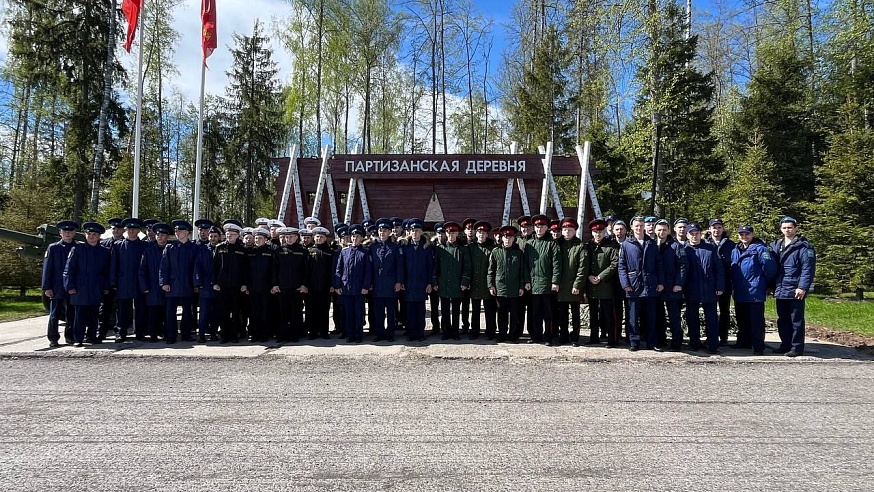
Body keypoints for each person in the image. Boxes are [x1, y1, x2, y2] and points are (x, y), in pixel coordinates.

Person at [617, 216, 664, 351]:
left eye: (641, 225)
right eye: (636, 226)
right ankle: (634, 342)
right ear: (631, 227)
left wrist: (660, 282)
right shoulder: (626, 244)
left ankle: (651, 342)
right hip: (633, 285)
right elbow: (622, 266)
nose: (639, 228)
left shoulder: (652, 243)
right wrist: (625, 283)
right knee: (633, 316)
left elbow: (658, 264)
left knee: (651, 316)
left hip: (650, 284)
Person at [771, 217, 816, 357]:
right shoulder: (776, 245)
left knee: (796, 320)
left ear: (796, 228)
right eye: (784, 228)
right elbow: (773, 268)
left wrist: (803, 287)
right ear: (780, 229)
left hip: (795, 288)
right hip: (780, 287)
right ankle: (785, 345)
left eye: (790, 227)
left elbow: (808, 269)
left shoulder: (804, 247)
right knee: (782, 319)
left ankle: (796, 347)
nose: (787, 230)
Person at [731, 225, 778, 355]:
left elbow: (770, 269)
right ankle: (744, 342)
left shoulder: (760, 249)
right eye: (741, 234)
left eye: (747, 234)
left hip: (754, 290)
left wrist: (767, 284)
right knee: (742, 319)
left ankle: (758, 346)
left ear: (752, 235)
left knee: (756, 321)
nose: (744, 237)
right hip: (740, 290)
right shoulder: (735, 250)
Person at [64, 222, 111, 346]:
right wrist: (70, 286)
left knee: (94, 315)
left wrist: (106, 286)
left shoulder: (104, 252)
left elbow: (107, 271)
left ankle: (91, 336)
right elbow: (69, 270)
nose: (91, 236)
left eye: (94, 234)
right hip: (80, 288)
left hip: (96, 287)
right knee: (79, 316)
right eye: (89, 234)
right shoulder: (77, 249)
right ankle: (78, 339)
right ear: (85, 235)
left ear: (99, 236)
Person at [684, 223, 724, 353]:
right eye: (692, 234)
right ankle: (694, 343)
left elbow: (719, 269)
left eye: (697, 233)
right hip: (691, 289)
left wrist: (719, 286)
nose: (694, 236)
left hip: (709, 288)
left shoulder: (710, 248)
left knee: (711, 319)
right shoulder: (683, 249)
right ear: (687, 235)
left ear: (701, 233)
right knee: (692, 318)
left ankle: (713, 345)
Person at [488, 226, 530, 342]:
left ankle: (513, 335)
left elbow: (522, 271)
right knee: (501, 313)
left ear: (514, 239)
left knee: (514, 314)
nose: (508, 240)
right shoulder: (496, 252)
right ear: (502, 238)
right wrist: (490, 285)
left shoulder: (518, 253)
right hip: (500, 288)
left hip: (515, 288)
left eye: (510, 237)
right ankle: (502, 334)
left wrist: (521, 286)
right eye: (505, 237)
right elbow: (491, 271)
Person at [160, 220, 198, 344]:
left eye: (180, 231)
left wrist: (196, 284)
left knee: (188, 311)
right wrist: (164, 282)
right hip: (172, 284)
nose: (177, 233)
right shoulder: (170, 247)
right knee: (170, 312)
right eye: (176, 231)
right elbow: (164, 267)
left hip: (188, 284)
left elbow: (196, 267)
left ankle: (186, 334)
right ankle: (171, 335)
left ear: (187, 232)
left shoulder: (193, 248)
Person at [110, 218, 147, 342]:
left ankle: (140, 332)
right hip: (123, 282)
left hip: (139, 283)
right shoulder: (117, 245)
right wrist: (113, 282)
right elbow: (113, 265)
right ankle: (120, 332)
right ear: (126, 230)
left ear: (138, 231)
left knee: (141, 309)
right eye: (129, 229)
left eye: (134, 229)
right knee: (122, 310)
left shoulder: (144, 246)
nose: (132, 231)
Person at [525, 214, 561, 344]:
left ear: (547, 228)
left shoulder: (552, 244)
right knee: (535, 313)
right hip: (534, 285)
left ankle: (548, 337)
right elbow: (525, 265)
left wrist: (555, 281)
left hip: (547, 285)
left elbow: (557, 264)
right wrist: (527, 281)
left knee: (548, 313)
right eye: (537, 226)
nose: (539, 229)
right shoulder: (529, 244)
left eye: (542, 226)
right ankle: (536, 336)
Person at [433, 221, 471, 340]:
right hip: (443, 283)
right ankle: (446, 331)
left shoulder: (462, 249)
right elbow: (435, 266)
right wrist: (435, 281)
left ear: (457, 233)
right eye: (449, 233)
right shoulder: (440, 249)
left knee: (455, 309)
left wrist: (464, 282)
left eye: (453, 233)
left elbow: (467, 267)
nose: (451, 235)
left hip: (456, 283)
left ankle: (455, 331)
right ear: (446, 233)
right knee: (444, 309)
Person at [42, 220, 78, 347]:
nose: (67, 233)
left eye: (70, 231)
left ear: (74, 233)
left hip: (72, 286)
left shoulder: (78, 247)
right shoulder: (53, 248)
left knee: (71, 313)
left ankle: (70, 337)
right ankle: (53, 338)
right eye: (65, 231)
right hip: (57, 287)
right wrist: (46, 287)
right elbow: (47, 269)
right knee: (54, 314)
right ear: (60, 233)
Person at [334, 224, 372, 343]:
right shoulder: (344, 252)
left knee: (359, 313)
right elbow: (338, 270)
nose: (355, 238)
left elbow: (368, 271)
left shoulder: (365, 252)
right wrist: (337, 285)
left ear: (361, 238)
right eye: (353, 236)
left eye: (357, 236)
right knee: (348, 313)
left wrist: (366, 286)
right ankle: (350, 335)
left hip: (359, 288)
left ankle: (358, 335)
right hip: (346, 288)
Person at [655, 219, 688, 350]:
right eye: (659, 229)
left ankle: (676, 343)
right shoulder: (652, 245)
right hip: (657, 288)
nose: (661, 232)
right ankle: (660, 341)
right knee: (658, 317)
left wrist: (679, 283)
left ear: (669, 230)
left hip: (673, 287)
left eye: (664, 229)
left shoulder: (676, 246)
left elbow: (683, 266)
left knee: (674, 317)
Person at [585, 219, 619, 347]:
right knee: (593, 314)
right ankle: (594, 337)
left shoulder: (611, 246)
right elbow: (584, 263)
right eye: (595, 231)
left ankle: (612, 339)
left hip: (606, 285)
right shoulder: (588, 246)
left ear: (605, 231)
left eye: (600, 231)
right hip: (591, 285)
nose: (598, 234)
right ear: (592, 232)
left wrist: (600, 276)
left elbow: (614, 263)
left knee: (609, 314)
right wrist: (588, 276)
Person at [369, 219, 404, 342]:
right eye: (380, 230)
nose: (382, 233)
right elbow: (369, 267)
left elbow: (399, 266)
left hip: (390, 284)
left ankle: (390, 334)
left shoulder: (395, 247)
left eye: (385, 231)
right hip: (377, 284)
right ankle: (379, 334)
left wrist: (399, 282)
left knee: (391, 311)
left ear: (389, 232)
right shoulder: (372, 247)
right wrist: (370, 283)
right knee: (378, 311)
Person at [272, 227, 308, 343]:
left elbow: (306, 270)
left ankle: (294, 334)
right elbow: (275, 269)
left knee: (296, 312)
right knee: (282, 312)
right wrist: (275, 284)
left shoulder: (302, 251)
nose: (289, 239)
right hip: (282, 287)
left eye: (291, 236)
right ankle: (282, 334)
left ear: (296, 237)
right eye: (286, 237)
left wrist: (304, 285)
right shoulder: (279, 251)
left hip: (297, 287)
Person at [213, 220, 247, 343]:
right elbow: (215, 267)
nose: (229, 236)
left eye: (232, 234)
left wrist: (244, 283)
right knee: (223, 312)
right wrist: (215, 282)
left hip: (236, 286)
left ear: (237, 235)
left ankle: (234, 335)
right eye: (227, 234)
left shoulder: (242, 249)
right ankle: (224, 335)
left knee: (236, 311)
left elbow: (245, 269)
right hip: (222, 286)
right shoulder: (219, 247)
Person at [556, 218, 588, 345]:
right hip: (561, 285)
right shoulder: (557, 244)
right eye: (564, 230)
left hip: (575, 286)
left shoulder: (580, 246)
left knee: (575, 313)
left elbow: (583, 268)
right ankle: (563, 335)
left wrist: (577, 284)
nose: (567, 232)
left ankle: (575, 337)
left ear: (575, 231)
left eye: (570, 230)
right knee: (562, 313)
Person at [400, 218, 433, 342]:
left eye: (417, 230)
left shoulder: (426, 247)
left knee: (420, 310)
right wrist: (401, 281)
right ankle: (411, 333)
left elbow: (430, 267)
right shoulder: (405, 247)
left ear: (421, 232)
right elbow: (401, 266)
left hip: (421, 283)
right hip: (408, 284)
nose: (414, 233)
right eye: (412, 230)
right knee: (409, 310)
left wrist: (429, 282)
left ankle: (420, 333)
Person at [139, 223, 171, 342]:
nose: (160, 237)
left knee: (166, 311)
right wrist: (144, 286)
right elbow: (142, 270)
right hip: (152, 286)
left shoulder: (171, 249)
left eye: (163, 235)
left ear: (167, 236)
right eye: (158, 234)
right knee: (152, 312)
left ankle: (164, 332)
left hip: (168, 286)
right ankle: (152, 333)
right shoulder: (149, 251)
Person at [707, 218, 736, 346]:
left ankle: (723, 338)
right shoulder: (705, 243)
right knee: (710, 311)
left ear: (723, 229)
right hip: (709, 282)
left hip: (726, 282)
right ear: (709, 229)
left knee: (724, 311)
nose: (716, 230)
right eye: (714, 227)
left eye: (719, 227)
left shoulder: (731, 245)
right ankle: (711, 337)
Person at [244, 227, 275, 342]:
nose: (257, 240)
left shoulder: (270, 252)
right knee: (253, 312)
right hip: (253, 287)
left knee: (265, 312)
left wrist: (273, 285)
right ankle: (254, 333)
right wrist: (246, 285)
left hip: (266, 287)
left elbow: (273, 270)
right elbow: (246, 270)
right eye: (256, 238)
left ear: (266, 239)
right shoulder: (250, 252)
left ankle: (264, 334)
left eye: (260, 238)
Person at [467, 220, 497, 340]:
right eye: (479, 233)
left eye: (484, 233)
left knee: (490, 310)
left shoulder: (492, 248)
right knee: (475, 310)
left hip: (487, 284)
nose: (481, 235)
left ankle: (491, 331)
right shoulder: (471, 247)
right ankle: (474, 331)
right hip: (474, 283)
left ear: (487, 235)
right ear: (476, 234)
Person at [307, 226, 335, 340]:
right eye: (317, 237)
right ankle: (313, 332)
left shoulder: (329, 252)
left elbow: (332, 270)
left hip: (325, 286)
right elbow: (306, 270)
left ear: (325, 238)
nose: (319, 239)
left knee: (324, 310)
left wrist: (332, 285)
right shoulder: (309, 251)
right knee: (312, 310)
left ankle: (324, 331)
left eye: (321, 237)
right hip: (312, 286)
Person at [98, 217, 123, 338]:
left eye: (119, 229)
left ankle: (119, 332)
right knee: (104, 308)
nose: (116, 231)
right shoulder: (104, 243)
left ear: (123, 230)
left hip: (121, 282)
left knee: (120, 309)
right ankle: (101, 332)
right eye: (114, 228)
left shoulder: (126, 244)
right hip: (106, 281)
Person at [428, 222, 446, 336]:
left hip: (445, 280)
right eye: (439, 233)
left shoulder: (448, 246)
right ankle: (435, 327)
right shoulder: (430, 247)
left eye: (443, 233)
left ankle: (445, 327)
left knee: (445, 306)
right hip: (433, 279)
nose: (441, 235)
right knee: (434, 306)